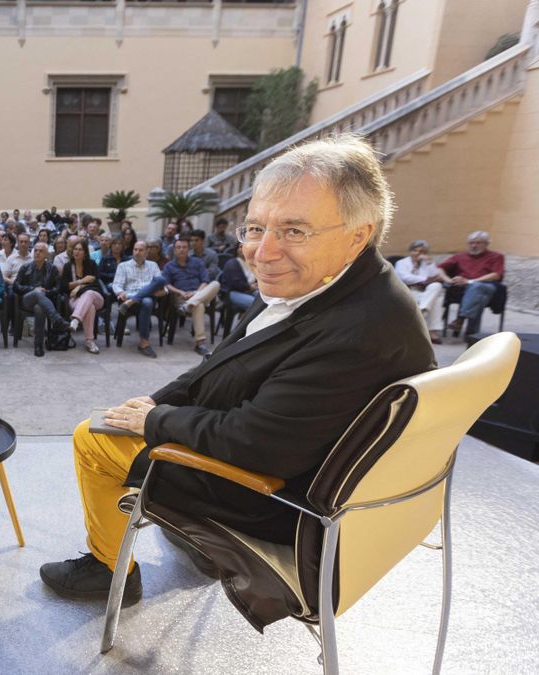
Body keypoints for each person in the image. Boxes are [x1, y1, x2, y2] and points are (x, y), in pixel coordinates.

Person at [39, 135, 434, 615]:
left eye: (294, 231)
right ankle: (196, 543)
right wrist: (152, 404)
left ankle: (110, 570)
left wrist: (155, 420)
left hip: (273, 503)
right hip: (286, 464)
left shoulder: (359, 330)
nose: (261, 252)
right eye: (255, 228)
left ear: (357, 234)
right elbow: (216, 367)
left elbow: (255, 444)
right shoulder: (332, 287)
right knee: (122, 419)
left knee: (91, 437)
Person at [438, 231, 505, 341]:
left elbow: (496, 275)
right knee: (479, 298)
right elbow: (440, 268)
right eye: (471, 243)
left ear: (487, 244)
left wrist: (470, 281)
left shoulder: (496, 256)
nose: (474, 245)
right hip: (466, 291)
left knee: (476, 287)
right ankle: (472, 333)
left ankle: (460, 319)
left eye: (478, 243)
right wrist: (448, 280)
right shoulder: (460, 256)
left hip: (488, 287)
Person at [163, 238, 220, 356]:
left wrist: (195, 293)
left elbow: (205, 280)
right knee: (198, 306)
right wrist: (180, 292)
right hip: (181, 297)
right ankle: (200, 343)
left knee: (216, 284)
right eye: (178, 247)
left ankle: (189, 305)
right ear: (174, 250)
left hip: (198, 294)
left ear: (189, 249)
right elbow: (167, 285)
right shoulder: (169, 266)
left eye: (184, 247)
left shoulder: (197, 262)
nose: (181, 250)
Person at [111, 241, 166, 358]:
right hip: (130, 297)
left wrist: (163, 291)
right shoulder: (123, 266)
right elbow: (116, 284)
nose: (137, 252)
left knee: (161, 280)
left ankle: (134, 300)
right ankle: (144, 343)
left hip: (132, 302)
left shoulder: (153, 265)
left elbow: (161, 285)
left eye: (140, 250)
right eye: (135, 249)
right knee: (147, 301)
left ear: (147, 252)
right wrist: (120, 292)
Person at [14, 242, 69, 357]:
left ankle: (38, 345)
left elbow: (58, 288)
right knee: (37, 292)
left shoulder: (52, 268)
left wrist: (46, 292)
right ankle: (57, 319)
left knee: (39, 308)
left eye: (41, 251)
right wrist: (34, 289)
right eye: (36, 250)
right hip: (27, 300)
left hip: (44, 302)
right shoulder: (25, 267)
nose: (37, 253)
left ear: (46, 255)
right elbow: (16, 286)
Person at [394, 240, 448, 344]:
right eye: (415, 250)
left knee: (437, 286)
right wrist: (426, 279)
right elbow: (405, 278)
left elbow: (436, 275)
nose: (418, 253)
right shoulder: (401, 263)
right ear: (410, 251)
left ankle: (421, 311)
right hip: (410, 291)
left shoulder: (426, 263)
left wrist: (429, 263)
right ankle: (433, 332)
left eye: (422, 251)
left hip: (426, 292)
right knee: (437, 300)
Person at [60, 239, 104, 354]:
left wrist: (79, 287)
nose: (77, 252)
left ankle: (76, 319)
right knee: (90, 308)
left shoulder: (91, 264)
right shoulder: (68, 266)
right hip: (76, 301)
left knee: (89, 294)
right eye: (75, 249)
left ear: (85, 252)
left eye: (80, 250)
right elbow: (64, 286)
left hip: (96, 297)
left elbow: (95, 283)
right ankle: (89, 341)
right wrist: (83, 281)